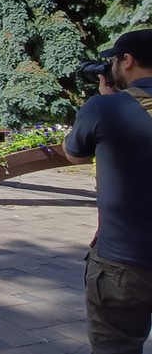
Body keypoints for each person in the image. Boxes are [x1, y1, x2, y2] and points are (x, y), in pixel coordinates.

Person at [64, 28, 152, 354]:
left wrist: (106, 104)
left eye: (113, 60)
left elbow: (75, 153)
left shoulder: (105, 109)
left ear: (127, 61)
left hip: (124, 263)